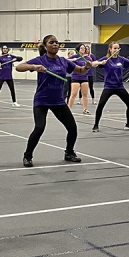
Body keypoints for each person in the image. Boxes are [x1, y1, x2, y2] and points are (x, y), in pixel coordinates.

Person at [16, 35, 95, 167]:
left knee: (72, 128)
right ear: (46, 46)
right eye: (51, 43)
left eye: (57, 43)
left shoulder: (63, 61)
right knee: (39, 128)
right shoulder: (40, 60)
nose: (55, 45)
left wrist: (87, 67)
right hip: (42, 100)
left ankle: (69, 152)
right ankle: (27, 155)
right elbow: (19, 67)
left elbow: (80, 71)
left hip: (58, 101)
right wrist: (35, 67)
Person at [92, 42, 129, 132]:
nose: (116, 50)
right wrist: (100, 62)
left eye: (118, 48)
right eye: (114, 48)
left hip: (119, 86)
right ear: (110, 49)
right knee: (100, 105)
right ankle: (96, 125)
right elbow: (93, 64)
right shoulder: (106, 59)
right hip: (108, 87)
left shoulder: (121, 60)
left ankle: (128, 124)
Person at [68, 43, 92, 115]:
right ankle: (69, 109)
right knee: (73, 94)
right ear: (78, 49)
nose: (83, 49)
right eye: (81, 48)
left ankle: (85, 109)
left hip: (84, 77)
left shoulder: (87, 58)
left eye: (84, 48)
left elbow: (91, 64)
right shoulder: (75, 56)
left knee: (85, 94)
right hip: (76, 77)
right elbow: (66, 61)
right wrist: (72, 59)